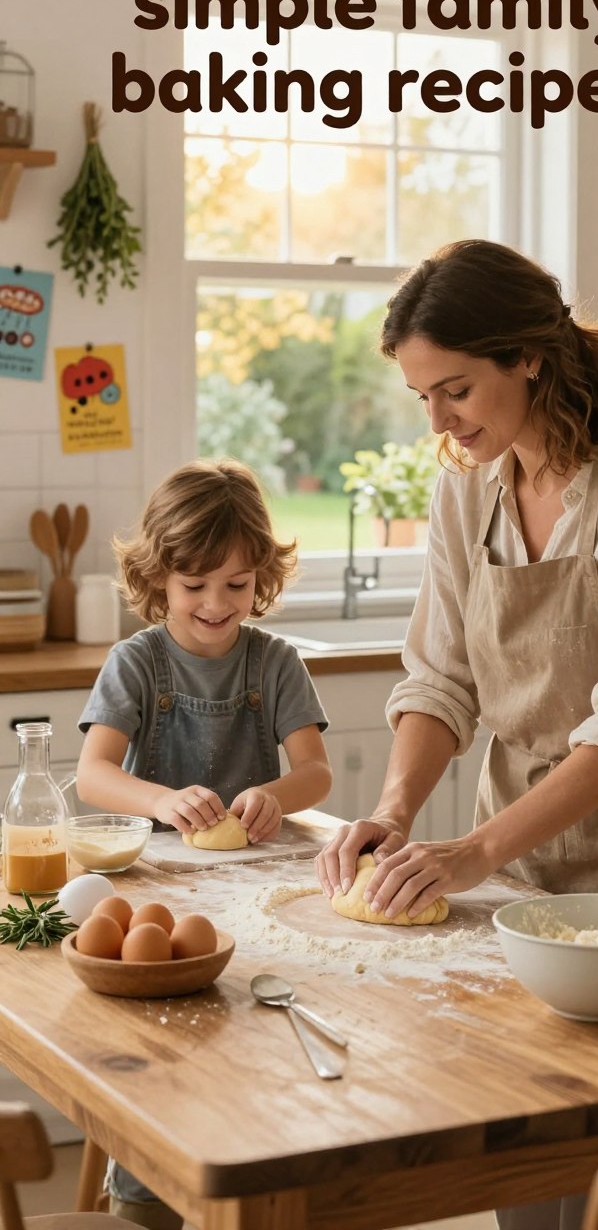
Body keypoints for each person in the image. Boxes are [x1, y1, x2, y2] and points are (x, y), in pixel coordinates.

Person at [316, 239, 598, 1230]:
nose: (440, 422)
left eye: (455, 390)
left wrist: (472, 849)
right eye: (422, 397)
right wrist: (395, 809)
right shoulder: (468, 488)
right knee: (523, 1155)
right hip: (516, 873)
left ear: (529, 358)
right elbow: (440, 678)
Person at [77, 457, 332, 1229]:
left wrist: (272, 796)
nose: (217, 605)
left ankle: (258, 1172)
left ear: (263, 579)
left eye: (237, 584)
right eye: (196, 587)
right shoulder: (137, 662)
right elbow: (92, 775)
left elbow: (315, 773)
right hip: (163, 888)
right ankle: (143, 1194)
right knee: (166, 1048)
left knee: (248, 1039)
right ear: (159, 581)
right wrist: (159, 798)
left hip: (255, 894)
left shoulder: (275, 663)